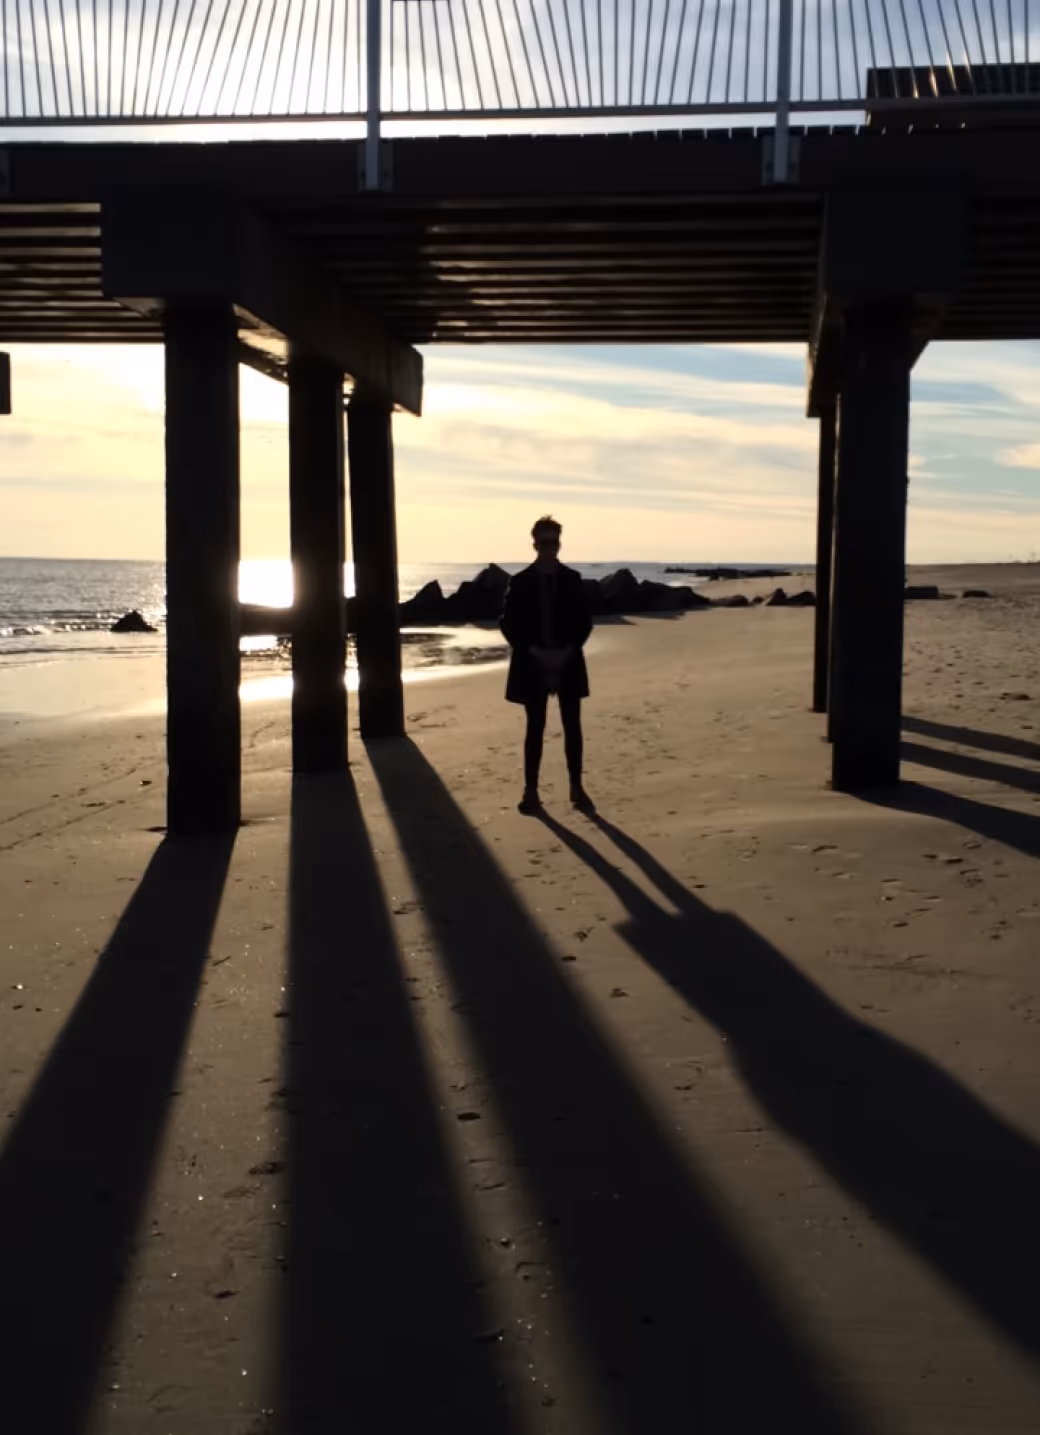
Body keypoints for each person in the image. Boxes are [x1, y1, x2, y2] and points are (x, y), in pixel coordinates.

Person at [500, 516, 594, 815]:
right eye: (544, 543)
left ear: (559, 544)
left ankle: (576, 787)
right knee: (535, 727)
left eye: (554, 542)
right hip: (532, 663)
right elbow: (509, 624)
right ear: (535, 544)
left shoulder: (572, 579)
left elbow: (583, 622)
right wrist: (536, 653)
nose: (550, 548)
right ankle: (531, 791)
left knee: (572, 726)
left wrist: (565, 651)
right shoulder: (520, 581)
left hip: (568, 660)